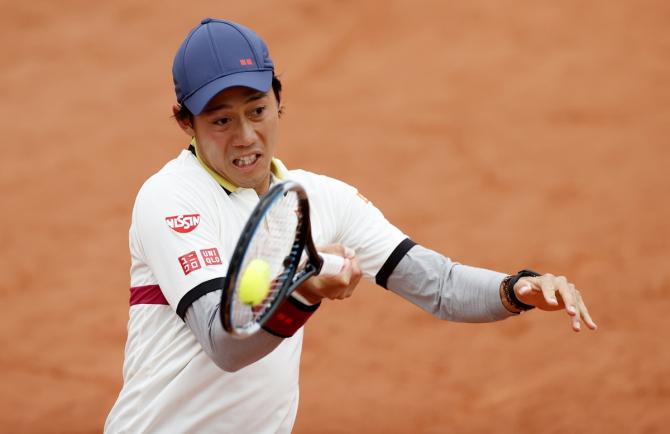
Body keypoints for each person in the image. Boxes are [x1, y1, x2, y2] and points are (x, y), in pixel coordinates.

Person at [105, 18, 597, 433]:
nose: (246, 137)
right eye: (220, 121)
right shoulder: (171, 198)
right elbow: (223, 343)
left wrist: (516, 288)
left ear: (279, 102)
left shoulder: (322, 198)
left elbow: (440, 285)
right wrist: (304, 293)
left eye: (257, 111)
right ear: (185, 124)